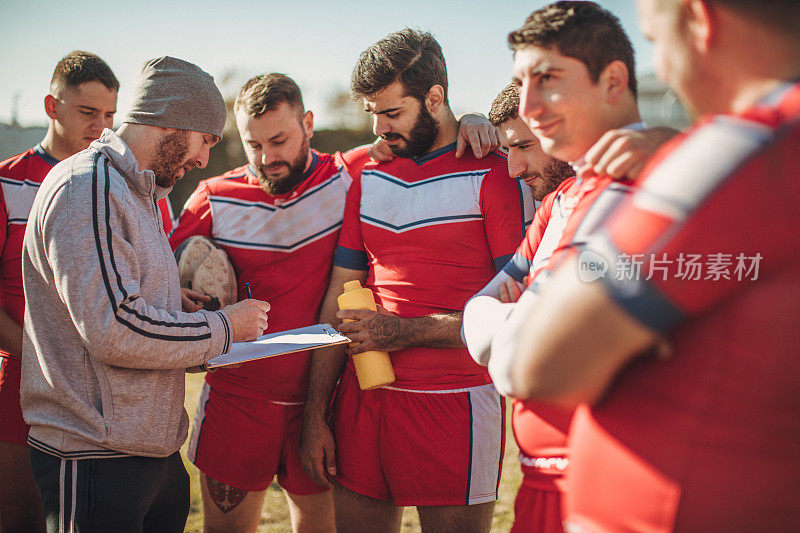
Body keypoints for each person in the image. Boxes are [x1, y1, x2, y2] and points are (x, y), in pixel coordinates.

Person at [489, 0, 800, 531]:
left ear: (700, 19)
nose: (664, 69)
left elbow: (533, 364)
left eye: (655, 41)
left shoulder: (746, 145)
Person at [170, 72, 499, 533]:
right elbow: (161, 272)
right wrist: (180, 298)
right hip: (239, 403)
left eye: (280, 140)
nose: (269, 158)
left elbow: (423, 133)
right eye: (254, 144)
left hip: (320, 403)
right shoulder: (214, 196)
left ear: (307, 123)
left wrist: (472, 119)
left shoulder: (353, 173)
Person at [21, 56, 270, 533]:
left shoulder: (140, 192)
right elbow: (114, 330)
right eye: (205, 141)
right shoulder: (89, 187)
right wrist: (224, 327)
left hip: (148, 450)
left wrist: (171, 303)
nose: (202, 160)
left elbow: (124, 303)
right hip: (93, 454)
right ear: (172, 122)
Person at [301, 28, 531, 533]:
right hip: (363, 397)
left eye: (393, 113)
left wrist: (407, 332)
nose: (380, 129)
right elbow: (337, 301)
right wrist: (315, 413)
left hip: (456, 405)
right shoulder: (370, 174)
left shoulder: (496, 173)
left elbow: (518, 313)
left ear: (434, 98)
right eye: (373, 114)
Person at [463, 8, 680, 528]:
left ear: (613, 82)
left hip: (606, 487)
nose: (530, 106)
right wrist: (527, 323)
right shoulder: (557, 202)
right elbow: (479, 324)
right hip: (540, 485)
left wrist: (517, 326)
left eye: (548, 82)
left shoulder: (648, 187)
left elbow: (527, 362)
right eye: (523, 85)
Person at [0, 50, 118, 533]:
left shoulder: (121, 185)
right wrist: (43, 360)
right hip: (23, 389)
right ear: (52, 106)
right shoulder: (7, 182)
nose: (101, 125)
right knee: (22, 521)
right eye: (87, 112)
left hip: (105, 396)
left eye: (109, 114)